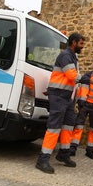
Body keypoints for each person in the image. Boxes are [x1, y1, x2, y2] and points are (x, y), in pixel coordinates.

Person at [35, 33, 86, 174]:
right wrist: (89, 79)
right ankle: (43, 159)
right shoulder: (65, 55)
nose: (83, 47)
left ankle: (63, 154)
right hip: (59, 96)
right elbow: (72, 75)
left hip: (67, 97)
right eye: (81, 44)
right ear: (74, 42)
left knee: (69, 125)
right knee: (54, 127)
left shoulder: (73, 57)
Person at [70, 58, 93, 159]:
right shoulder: (86, 76)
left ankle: (90, 150)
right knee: (78, 127)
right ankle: (73, 148)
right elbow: (80, 86)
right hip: (84, 105)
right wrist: (80, 102)